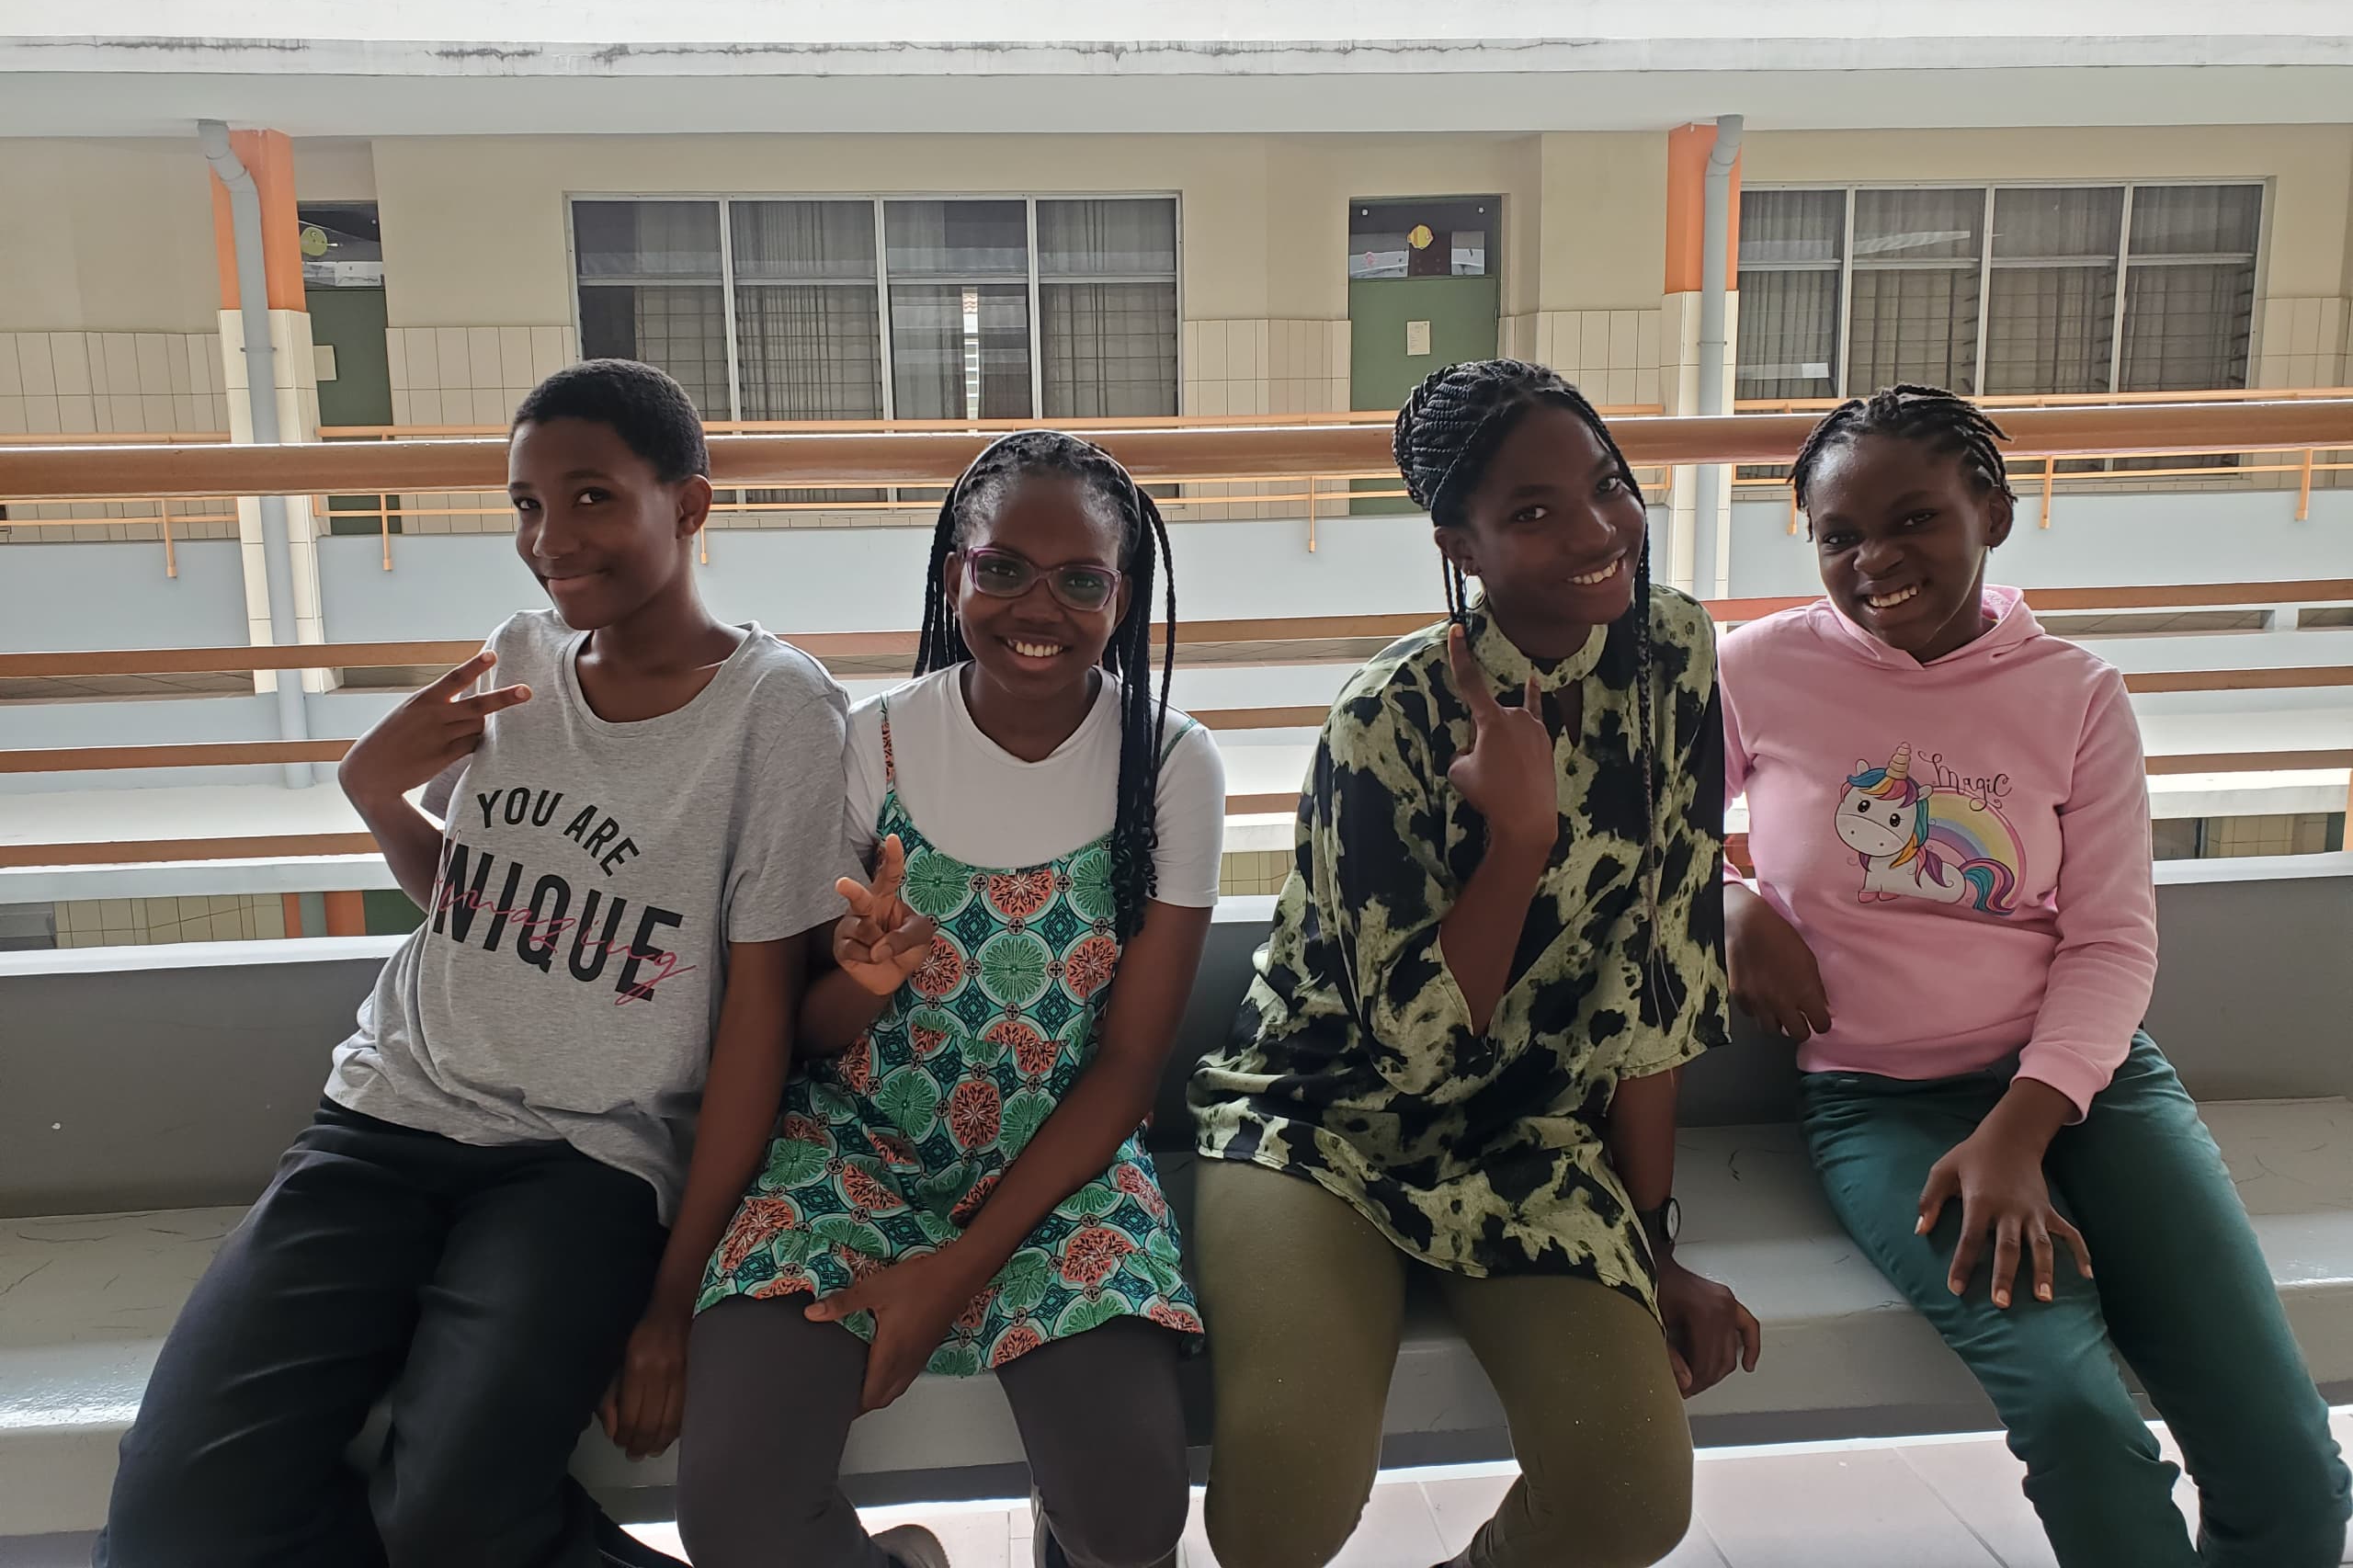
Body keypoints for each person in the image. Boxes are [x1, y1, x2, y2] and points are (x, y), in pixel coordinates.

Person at [97, 360, 855, 1568]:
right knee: (173, 1524)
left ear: (690, 505)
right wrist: (366, 787)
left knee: (447, 1523)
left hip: (582, 1166)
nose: (550, 538)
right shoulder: (521, 652)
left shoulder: (779, 712)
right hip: (379, 1123)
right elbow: (478, 898)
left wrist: (673, 1294)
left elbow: (756, 1021)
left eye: (593, 497)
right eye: (525, 504)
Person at [1720, 383, 2351, 1568]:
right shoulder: (1756, 669)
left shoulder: (2076, 693)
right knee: (2075, 1418)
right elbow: (1645, 837)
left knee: (2291, 1470)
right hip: (1883, 1106)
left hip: (2091, 1091)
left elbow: (2112, 938)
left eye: (1915, 520)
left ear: (1993, 516)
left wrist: (2022, 1126)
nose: (1874, 562)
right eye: (1838, 537)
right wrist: (1729, 897)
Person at [1189, 359, 1757, 1568]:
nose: (1599, 531)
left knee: (1630, 1500)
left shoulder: (1673, 654)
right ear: (1460, 541)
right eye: (1535, 512)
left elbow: (1661, 970)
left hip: (1528, 1139)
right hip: (1320, 1124)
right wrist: (1521, 841)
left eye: (1607, 486)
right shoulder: (1385, 721)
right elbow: (1414, 1045)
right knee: (1280, 1509)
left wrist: (1653, 1248)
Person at [677, 431, 1224, 1568]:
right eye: (1002, 568)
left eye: (1083, 581)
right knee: (737, 1519)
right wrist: (864, 988)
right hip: (856, 1154)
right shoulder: (871, 740)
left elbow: (1126, 1069)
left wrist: (950, 1275)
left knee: (1130, 1522)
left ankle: (1059, 1531)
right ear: (953, 574)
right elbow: (807, 1033)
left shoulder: (1169, 764)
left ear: (1121, 599)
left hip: (1062, 1172)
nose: (1041, 605)